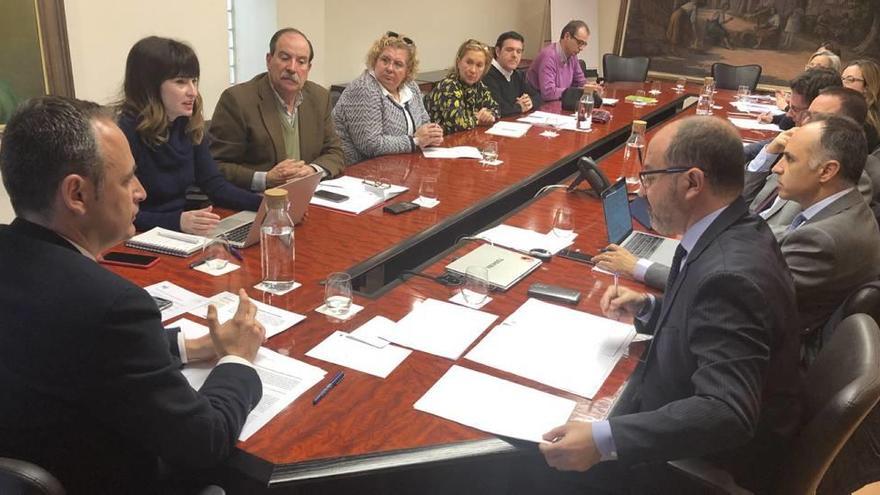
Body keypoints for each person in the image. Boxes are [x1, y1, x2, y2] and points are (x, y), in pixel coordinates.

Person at [0, 96, 265, 493]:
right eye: (127, 180)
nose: (140, 192)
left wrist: (192, 347)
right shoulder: (112, 306)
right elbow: (203, 443)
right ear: (77, 194)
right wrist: (237, 359)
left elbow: (73, 345)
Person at [538, 116, 801, 494]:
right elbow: (705, 320)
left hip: (705, 464)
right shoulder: (734, 229)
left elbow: (726, 411)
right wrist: (648, 307)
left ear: (692, 182)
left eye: (650, 178)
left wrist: (604, 439)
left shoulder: (729, 276)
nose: (642, 194)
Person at [118, 36, 261, 235]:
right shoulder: (123, 134)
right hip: (140, 236)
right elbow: (119, 214)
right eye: (180, 82)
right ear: (150, 87)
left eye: (194, 81)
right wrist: (176, 222)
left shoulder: (186, 124)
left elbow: (214, 185)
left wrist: (266, 204)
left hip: (181, 232)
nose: (193, 92)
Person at [210, 28, 344, 191]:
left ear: (308, 68)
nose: (292, 68)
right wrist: (265, 179)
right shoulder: (237, 100)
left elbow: (335, 152)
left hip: (308, 195)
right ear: (269, 60)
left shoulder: (319, 97)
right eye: (285, 58)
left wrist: (312, 170)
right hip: (256, 200)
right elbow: (216, 166)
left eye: (301, 61)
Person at [332, 31, 443, 165]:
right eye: (385, 60)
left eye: (398, 64)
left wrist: (431, 134)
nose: (390, 68)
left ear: (408, 70)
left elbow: (424, 120)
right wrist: (415, 141)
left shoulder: (411, 87)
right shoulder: (365, 88)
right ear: (375, 61)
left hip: (398, 165)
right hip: (357, 170)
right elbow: (371, 145)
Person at [424, 39, 498, 135]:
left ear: (485, 69)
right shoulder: (449, 86)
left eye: (479, 65)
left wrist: (489, 115)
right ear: (459, 62)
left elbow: (496, 108)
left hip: (464, 139)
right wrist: (478, 119)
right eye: (469, 62)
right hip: (438, 143)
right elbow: (456, 123)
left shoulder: (479, 86)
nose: (473, 70)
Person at [525, 20, 592, 102]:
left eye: (584, 44)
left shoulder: (572, 56)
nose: (581, 48)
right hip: (541, 105)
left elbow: (581, 81)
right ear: (567, 36)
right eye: (579, 43)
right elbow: (548, 93)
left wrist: (591, 87)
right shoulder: (548, 56)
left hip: (559, 102)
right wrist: (577, 92)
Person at [483, 31, 542, 117]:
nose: (515, 55)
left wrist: (530, 102)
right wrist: (519, 107)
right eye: (509, 50)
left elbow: (537, 96)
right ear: (498, 51)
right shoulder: (487, 74)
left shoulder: (517, 74)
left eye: (519, 51)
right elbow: (497, 109)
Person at [842, 59, 880, 153]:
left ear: (867, 87)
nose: (842, 84)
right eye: (842, 79)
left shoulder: (867, 123)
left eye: (850, 79)